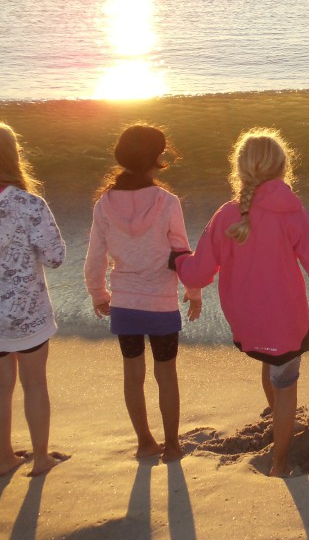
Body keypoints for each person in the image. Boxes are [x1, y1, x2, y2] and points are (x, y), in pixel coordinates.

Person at [174, 128, 309, 478]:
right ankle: (279, 462)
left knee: (269, 359)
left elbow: (198, 273)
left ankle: (274, 411)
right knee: (285, 379)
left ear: (241, 169)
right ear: (283, 168)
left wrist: (178, 261)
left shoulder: (226, 214)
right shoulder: (292, 213)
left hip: (247, 323)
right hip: (285, 323)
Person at [84, 124, 201, 462]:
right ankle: (173, 445)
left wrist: (98, 293)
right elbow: (181, 252)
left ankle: (145, 441)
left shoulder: (104, 203)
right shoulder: (167, 202)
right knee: (166, 374)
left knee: (132, 375)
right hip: (161, 304)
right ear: (157, 158)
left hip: (125, 303)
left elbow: (95, 255)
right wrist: (193, 290)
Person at [0, 119, 67, 477]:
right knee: (35, 383)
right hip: (26, 312)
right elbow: (55, 257)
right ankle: (41, 457)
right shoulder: (28, 204)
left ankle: (3, 458)